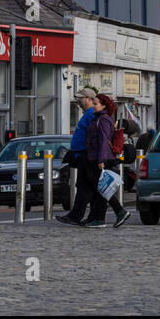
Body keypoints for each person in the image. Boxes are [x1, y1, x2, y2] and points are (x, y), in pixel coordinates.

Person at [83, 93, 130, 228]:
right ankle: (104, 217)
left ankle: (117, 212)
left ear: (103, 105)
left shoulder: (103, 119)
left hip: (102, 158)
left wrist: (101, 159)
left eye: (96, 103)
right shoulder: (98, 118)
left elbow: (104, 140)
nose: (93, 106)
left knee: (103, 189)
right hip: (96, 157)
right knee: (101, 189)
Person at [58, 88, 99, 225]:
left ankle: (77, 216)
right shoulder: (88, 114)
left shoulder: (91, 114)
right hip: (83, 154)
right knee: (90, 187)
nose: (78, 102)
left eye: (80, 99)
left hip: (87, 155)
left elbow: (95, 134)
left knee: (85, 186)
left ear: (88, 99)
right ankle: (93, 217)